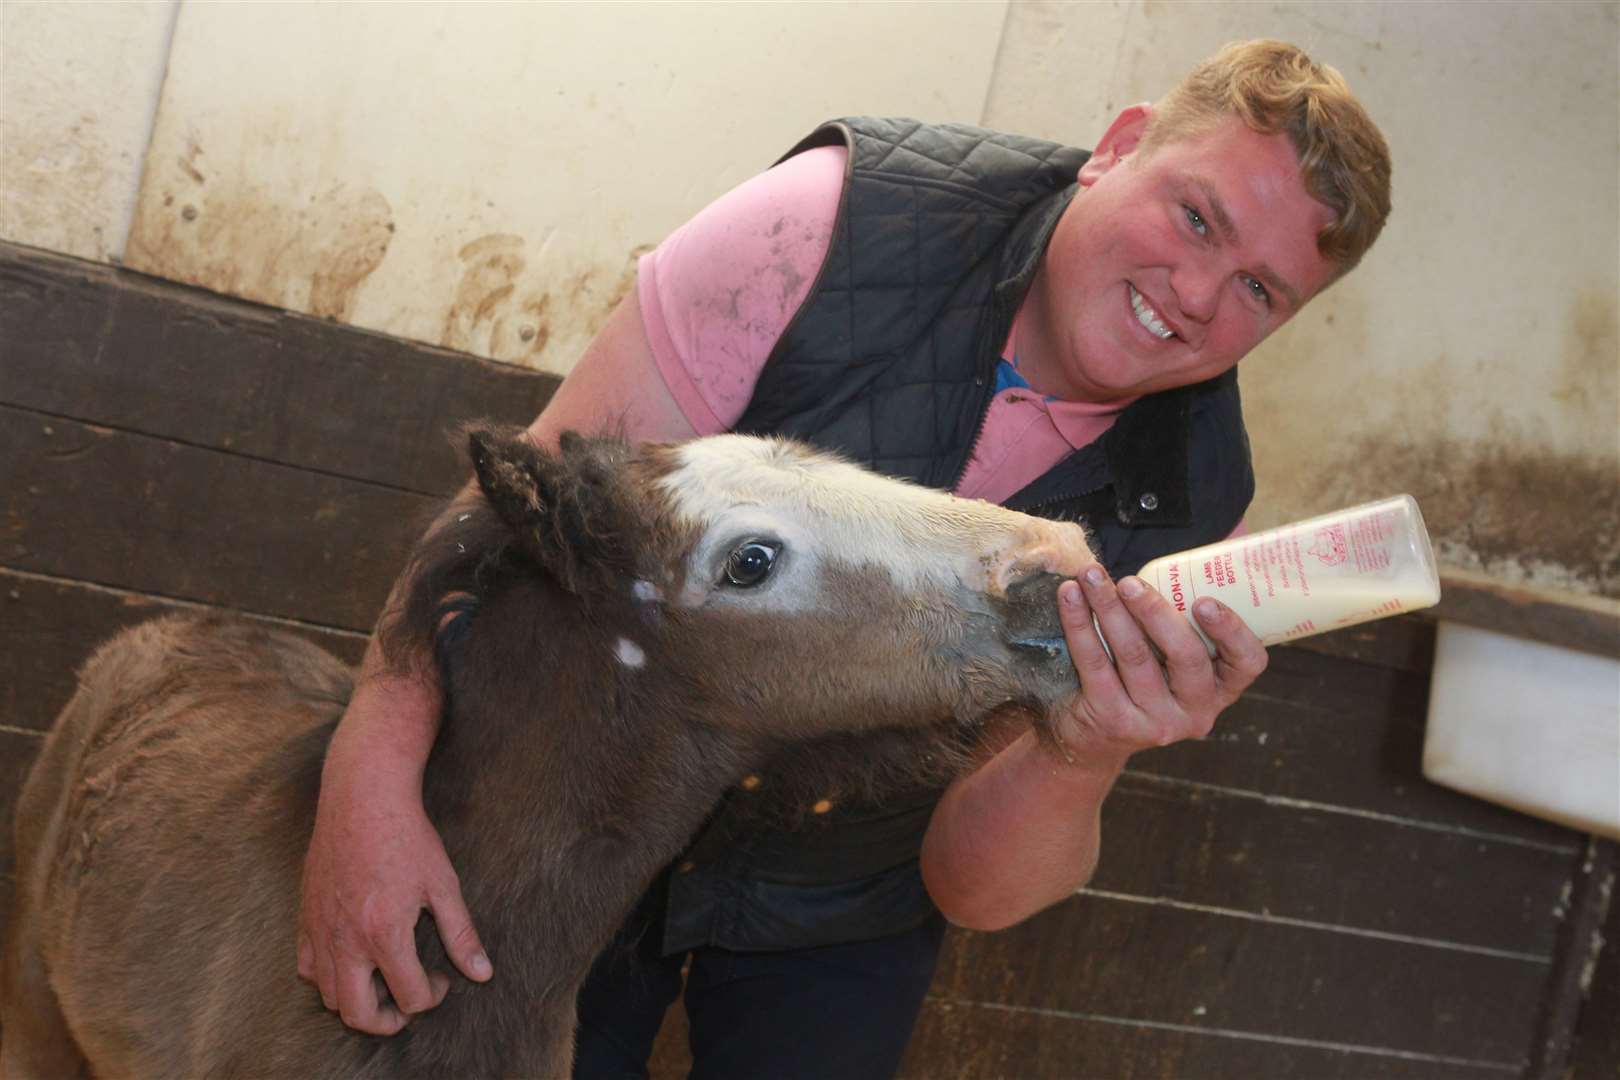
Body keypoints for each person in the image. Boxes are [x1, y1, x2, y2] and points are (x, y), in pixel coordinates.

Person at [297, 38, 1391, 1078]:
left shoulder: (1192, 512)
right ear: (1120, 143)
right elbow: (508, 529)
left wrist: (1085, 747)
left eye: (1259, 291)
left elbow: (977, 892)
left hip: (844, 895)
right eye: (1195, 217)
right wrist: (368, 781)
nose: (1198, 296)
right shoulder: (825, 229)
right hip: (581, 811)